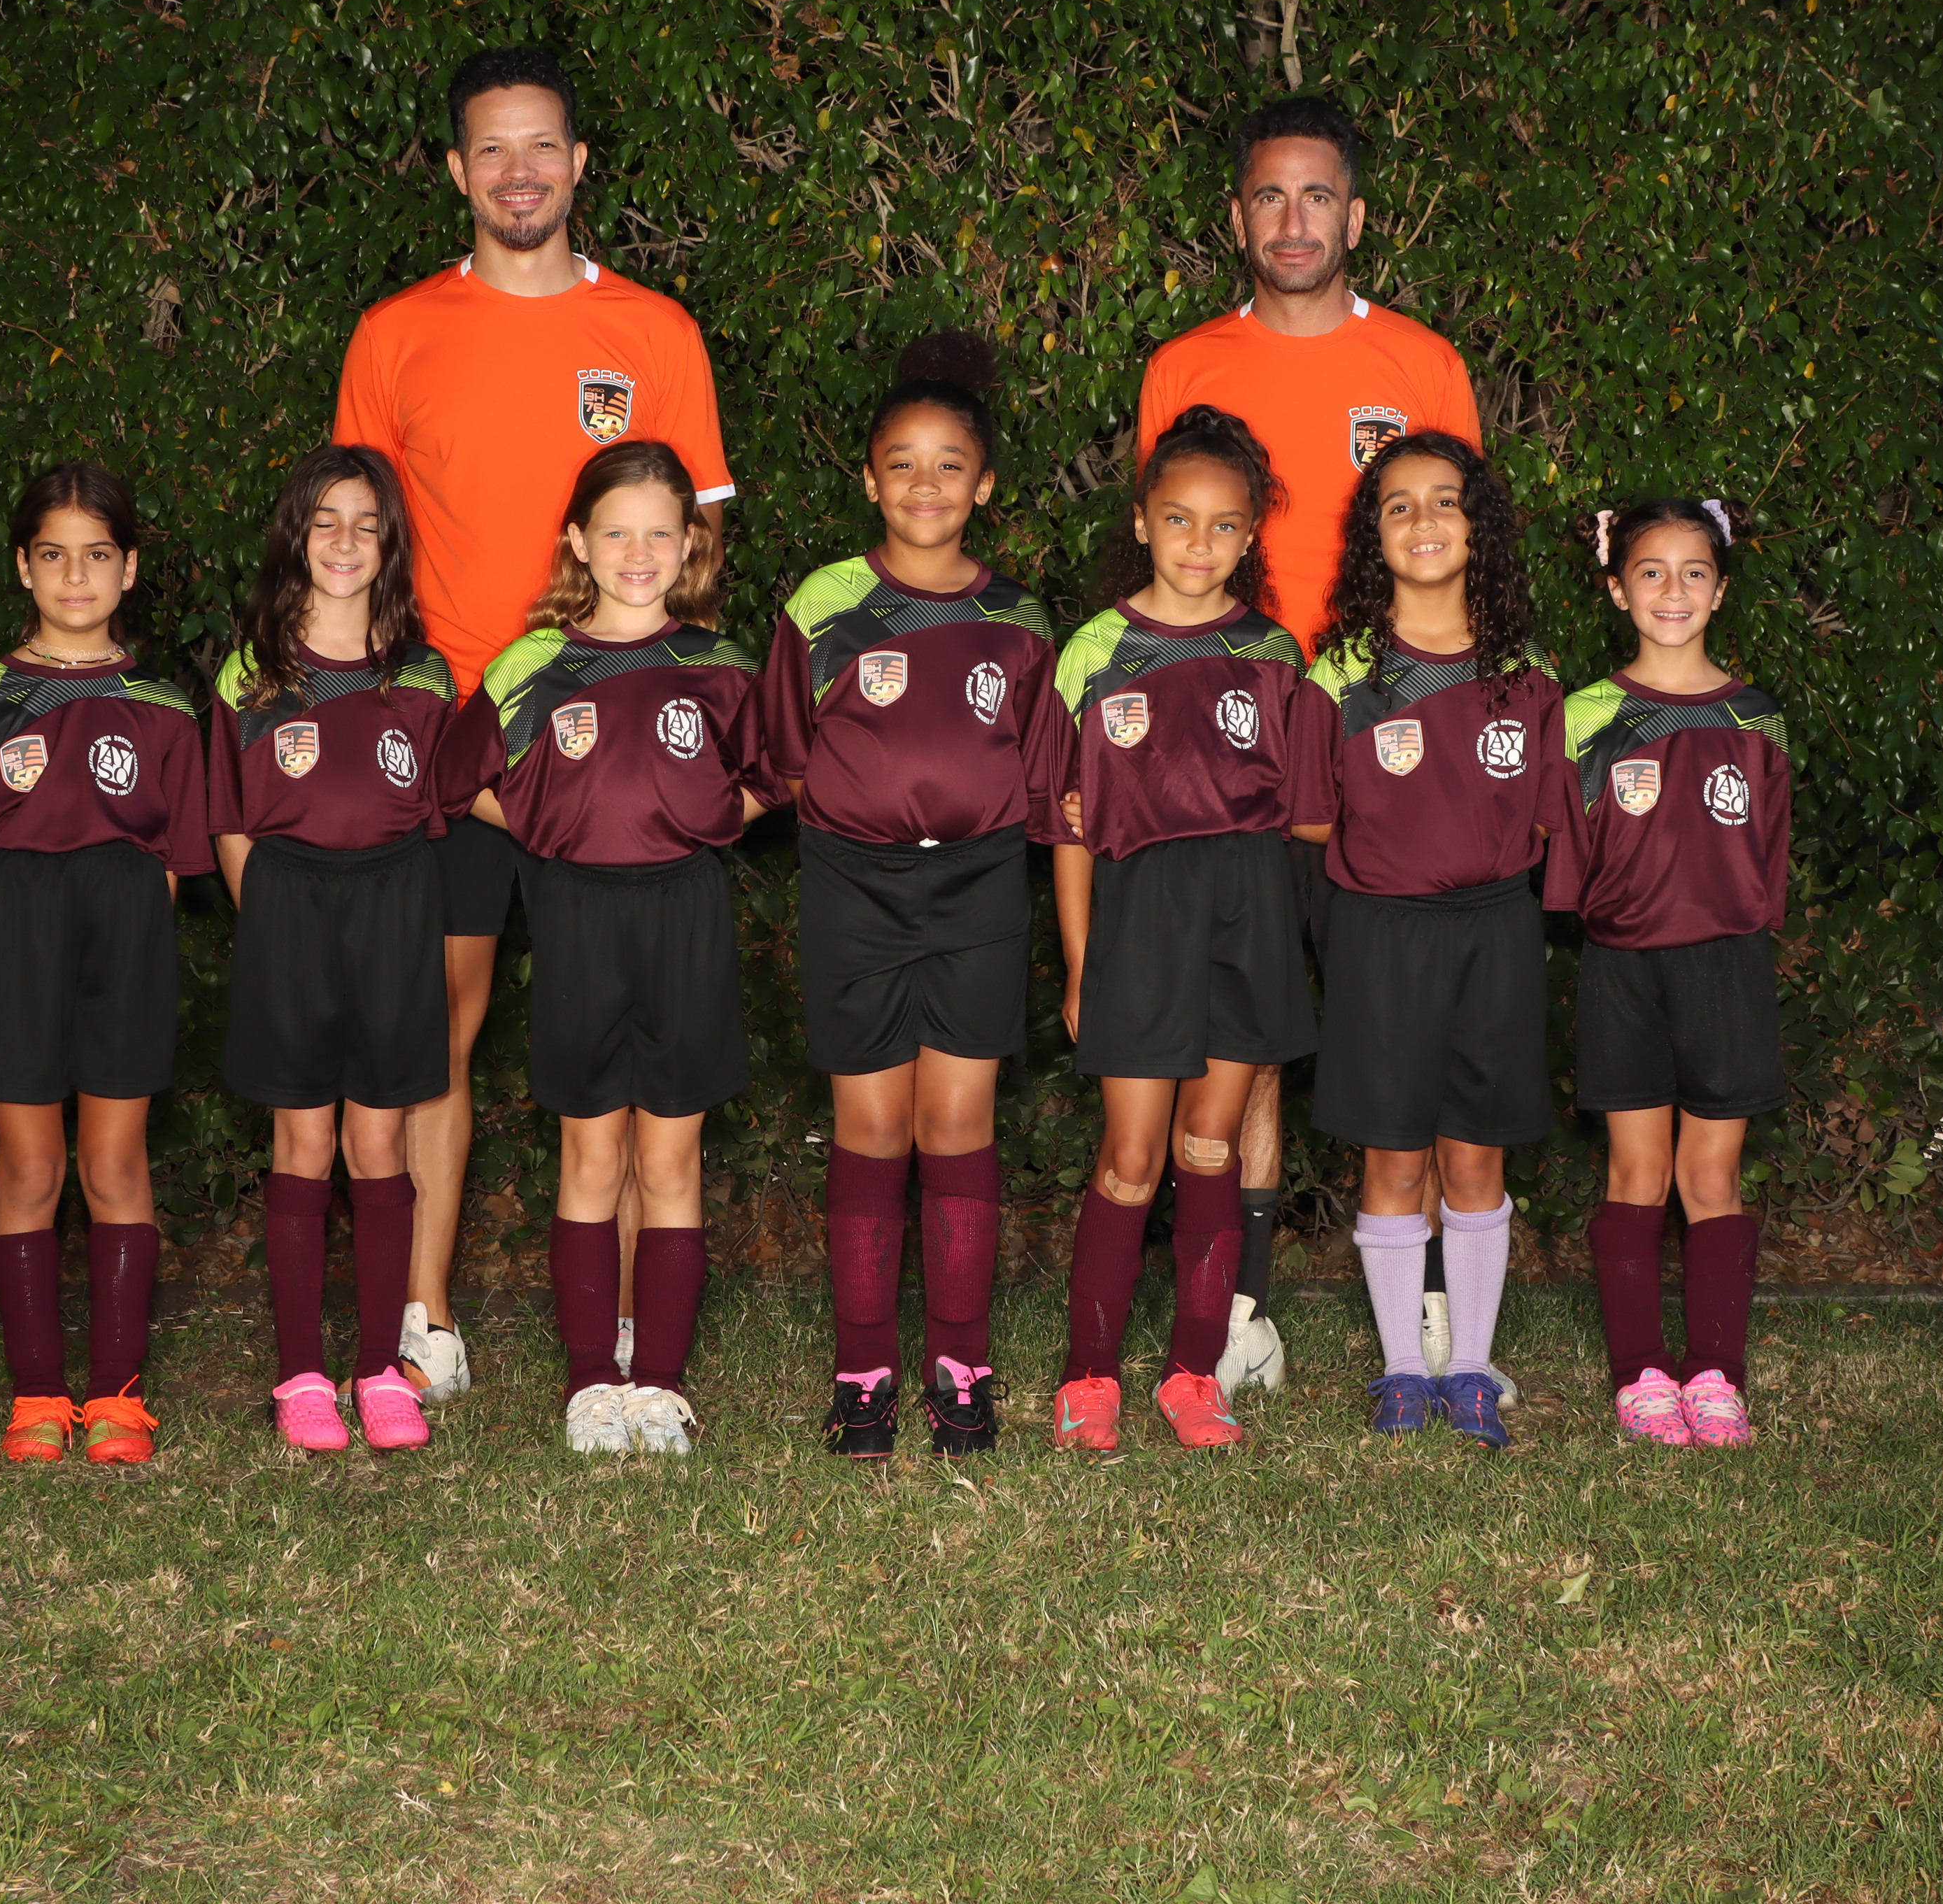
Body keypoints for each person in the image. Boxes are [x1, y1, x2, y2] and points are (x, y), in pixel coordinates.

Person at [332, 45, 737, 1403]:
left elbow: (698, 553)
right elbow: (355, 545)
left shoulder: (655, 334)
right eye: (493, 150)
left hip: (616, 762)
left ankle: (622, 1337)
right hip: (456, 745)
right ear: (458, 170)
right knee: (436, 1031)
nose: (521, 173)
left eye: (543, 146)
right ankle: (426, 1314)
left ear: (580, 162)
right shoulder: (396, 335)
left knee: (626, 1051)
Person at [1134, 95, 1484, 1395]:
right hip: (1235, 737)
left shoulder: (1424, 365)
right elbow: (1170, 558)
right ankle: (1242, 1311)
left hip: (1392, 733)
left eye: (1318, 196)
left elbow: (1458, 552)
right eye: (1270, 196)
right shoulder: (1184, 368)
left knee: (1416, 1020)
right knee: (1248, 1035)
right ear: (1238, 217)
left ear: (1358, 215)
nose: (1294, 221)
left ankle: (1440, 1301)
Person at [753, 334, 1067, 1460]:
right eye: (902, 463)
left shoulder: (1021, 621)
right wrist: (868, 816)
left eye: (950, 465)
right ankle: (863, 1373)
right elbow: (786, 757)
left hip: (980, 885)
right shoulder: (824, 604)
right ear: (869, 480)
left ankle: (961, 1370)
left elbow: (1044, 772)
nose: (925, 484)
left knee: (959, 1124)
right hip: (855, 883)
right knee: (874, 1125)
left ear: (984, 485)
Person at [442, 441, 763, 1457]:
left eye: (660, 533)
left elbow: (781, 772)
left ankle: (659, 1380)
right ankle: (590, 1381)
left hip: (685, 913)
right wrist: (544, 827)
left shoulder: (718, 664)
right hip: (578, 913)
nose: (639, 552)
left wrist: (712, 820)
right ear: (578, 541)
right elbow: (457, 779)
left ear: (690, 545)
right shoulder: (532, 665)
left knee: (670, 1156)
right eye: (616, 532)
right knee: (590, 1154)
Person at [1048, 408, 1318, 1453]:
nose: (1199, 544)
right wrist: (1080, 964)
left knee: (1211, 1146)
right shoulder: (1096, 651)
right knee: (1130, 1156)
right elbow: (1069, 828)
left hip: (1248, 910)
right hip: (1141, 917)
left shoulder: (1273, 652)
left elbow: (1304, 811)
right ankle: (1089, 1380)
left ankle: (1194, 1377)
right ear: (1142, 522)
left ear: (1249, 537)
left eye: (1224, 525)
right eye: (1178, 519)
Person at [1289, 433, 1564, 1449]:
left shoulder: (1525, 672)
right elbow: (1309, 818)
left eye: (1446, 500)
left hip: (1496, 930)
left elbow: (1547, 820)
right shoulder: (1341, 674)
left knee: (1477, 1159)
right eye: (1398, 505)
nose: (1424, 521)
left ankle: (1473, 1369)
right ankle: (1405, 1369)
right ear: (1374, 535)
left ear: (1479, 524)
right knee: (1395, 1157)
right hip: (1382, 935)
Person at [0, 464, 209, 1469]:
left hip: (125, 934)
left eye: (97, 555)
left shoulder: (163, 707)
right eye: (54, 555)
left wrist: (137, 944)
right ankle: (38, 1393)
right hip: (16, 934)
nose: (76, 575)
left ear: (129, 569)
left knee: (116, 1163)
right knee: (28, 1165)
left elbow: (175, 864)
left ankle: (120, 1399)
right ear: (24, 566)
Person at [206, 444, 453, 1454]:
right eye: (326, 521)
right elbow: (230, 821)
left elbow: (441, 810)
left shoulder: (422, 674)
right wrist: (271, 917)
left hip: (393, 910)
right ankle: (302, 1374)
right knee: (303, 1144)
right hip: (290, 913)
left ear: (389, 544)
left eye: (367, 523)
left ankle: (379, 1370)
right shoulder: (252, 674)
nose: (346, 541)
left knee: (379, 1146)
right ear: (295, 536)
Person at [1549, 499, 1792, 1448]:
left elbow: (1767, 852)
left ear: (1721, 590)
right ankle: (1642, 1374)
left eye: (1695, 572)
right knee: (1637, 1171)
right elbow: (1564, 853)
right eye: (1651, 572)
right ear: (1618, 589)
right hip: (1623, 965)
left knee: (1712, 1175)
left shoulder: (1756, 717)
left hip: (1727, 966)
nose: (1674, 590)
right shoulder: (1585, 715)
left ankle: (1718, 1376)